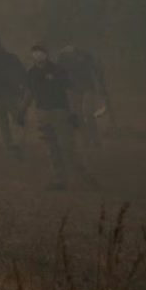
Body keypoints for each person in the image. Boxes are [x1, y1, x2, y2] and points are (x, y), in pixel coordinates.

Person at [26, 43, 99, 191]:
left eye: (40, 52)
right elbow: (30, 92)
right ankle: (59, 179)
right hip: (43, 113)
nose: (38, 55)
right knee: (52, 148)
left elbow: (69, 91)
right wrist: (23, 110)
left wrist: (72, 113)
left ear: (46, 54)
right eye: (35, 52)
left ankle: (85, 176)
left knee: (68, 147)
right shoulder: (31, 72)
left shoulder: (58, 70)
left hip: (60, 112)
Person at [58, 45, 108, 144]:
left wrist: (101, 84)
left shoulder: (84, 55)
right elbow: (59, 73)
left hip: (87, 88)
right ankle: (86, 139)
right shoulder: (63, 56)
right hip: (74, 89)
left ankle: (95, 139)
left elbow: (96, 69)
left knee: (88, 112)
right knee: (78, 114)